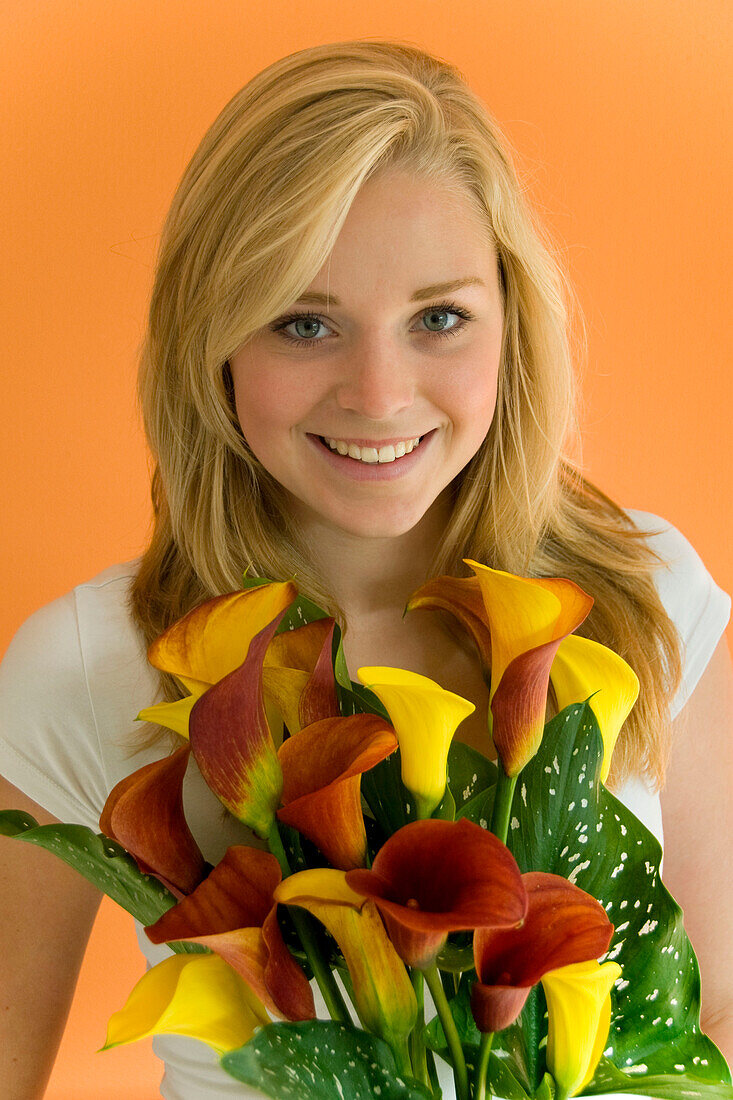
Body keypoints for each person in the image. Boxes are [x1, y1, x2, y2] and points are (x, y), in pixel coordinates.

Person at [1, 37, 731, 1100]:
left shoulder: (642, 590)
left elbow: (716, 1014)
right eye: (305, 322)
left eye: (438, 318)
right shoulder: (85, 666)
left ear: (509, 325)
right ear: (215, 344)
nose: (379, 394)